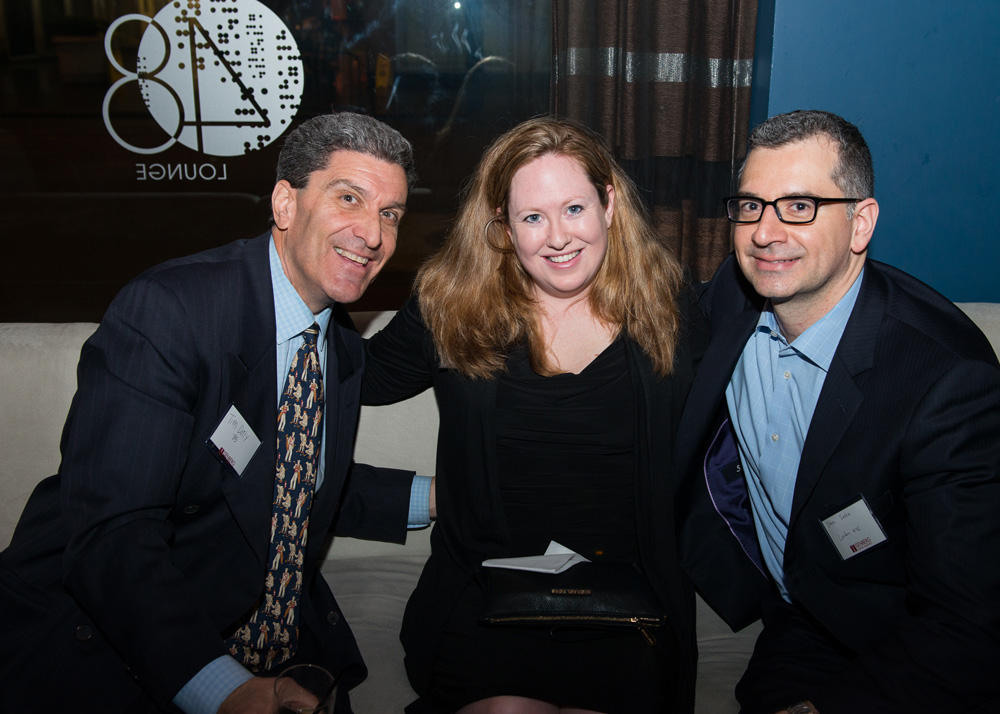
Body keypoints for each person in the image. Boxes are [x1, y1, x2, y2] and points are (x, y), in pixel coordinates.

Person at [0, 112, 431, 713]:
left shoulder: (336, 342)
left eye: (390, 214)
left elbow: (284, 478)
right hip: (118, 642)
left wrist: (438, 496)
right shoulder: (170, 311)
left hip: (276, 639)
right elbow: (113, 533)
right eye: (349, 198)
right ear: (285, 203)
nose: (372, 234)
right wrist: (222, 688)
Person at [362, 117, 708, 714]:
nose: (558, 237)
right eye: (532, 218)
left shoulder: (668, 306)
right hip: (486, 594)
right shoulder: (451, 306)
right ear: (503, 227)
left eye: (574, 208)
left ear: (609, 204)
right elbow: (352, 379)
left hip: (626, 601)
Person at [676, 109, 1000, 714]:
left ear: (861, 223)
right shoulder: (734, 297)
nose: (765, 233)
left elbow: (966, 624)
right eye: (751, 206)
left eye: (799, 206)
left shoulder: (947, 381)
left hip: (912, 645)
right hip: (802, 621)